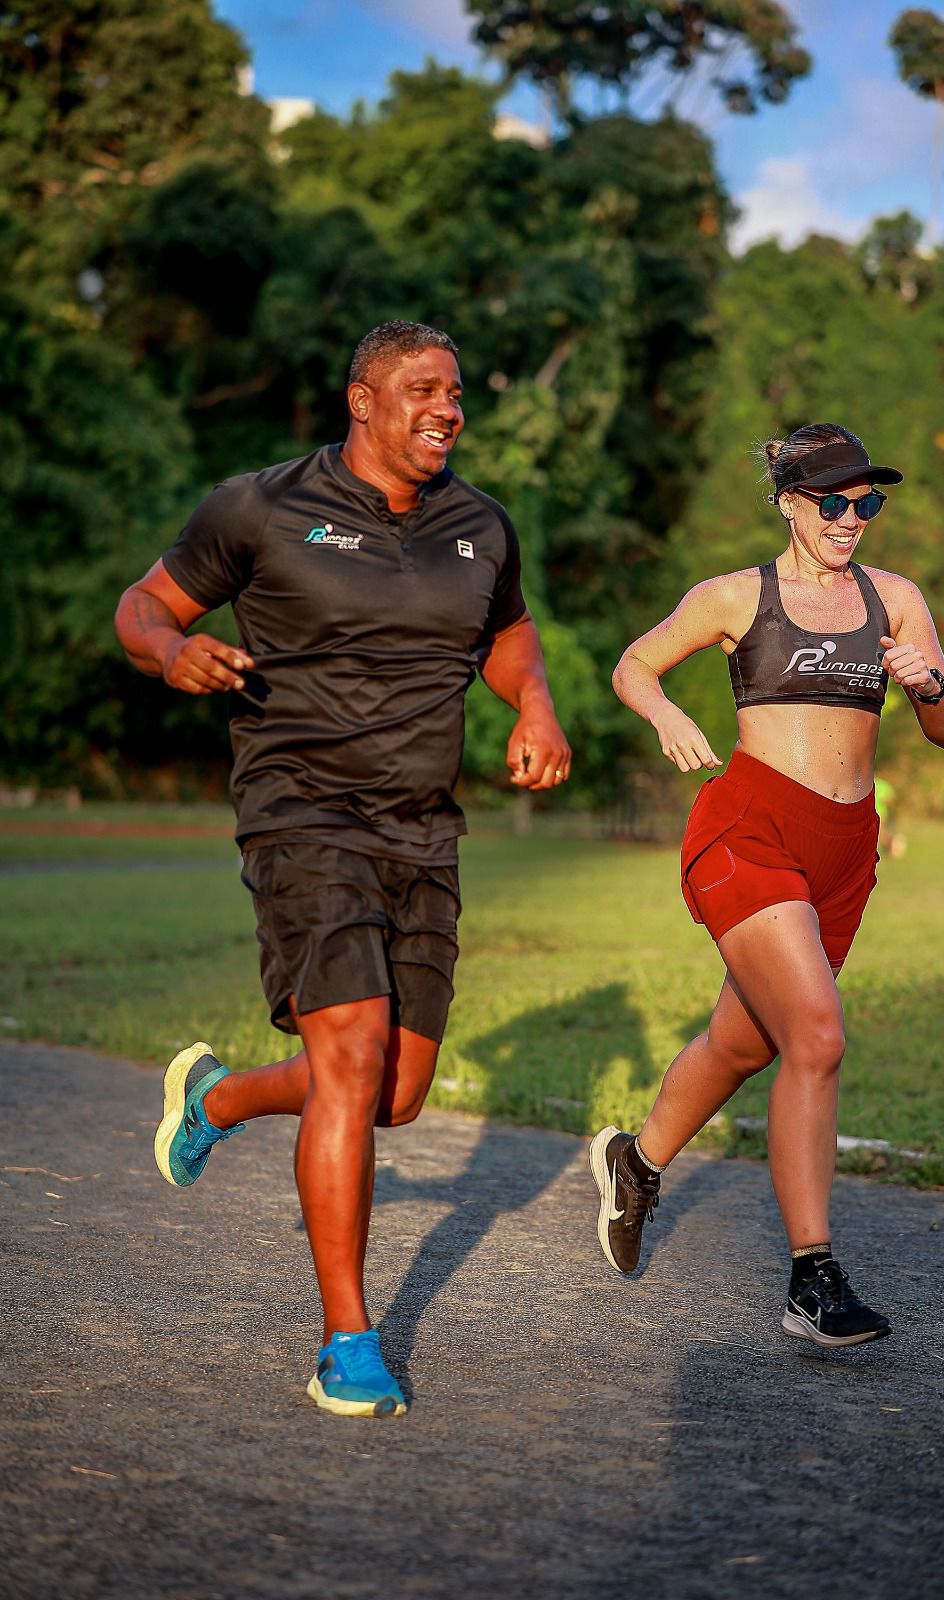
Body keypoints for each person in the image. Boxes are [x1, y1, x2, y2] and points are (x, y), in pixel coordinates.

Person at [115, 321, 571, 1416]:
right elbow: (144, 606)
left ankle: (222, 1097)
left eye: (456, 391)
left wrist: (538, 705)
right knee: (354, 1049)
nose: (448, 408)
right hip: (299, 810)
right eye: (424, 388)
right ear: (362, 400)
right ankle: (346, 1338)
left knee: (396, 1094)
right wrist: (174, 652)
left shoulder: (480, 525)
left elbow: (507, 635)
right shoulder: (259, 506)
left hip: (423, 826)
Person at [590, 423, 944, 1347]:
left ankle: (635, 1162)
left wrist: (927, 686)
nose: (852, 519)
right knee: (818, 1034)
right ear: (792, 504)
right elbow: (632, 663)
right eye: (833, 502)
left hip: (844, 848)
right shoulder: (735, 596)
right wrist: (668, 713)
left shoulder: (897, 599)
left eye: (866, 503)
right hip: (747, 829)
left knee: (746, 1042)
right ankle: (812, 1278)